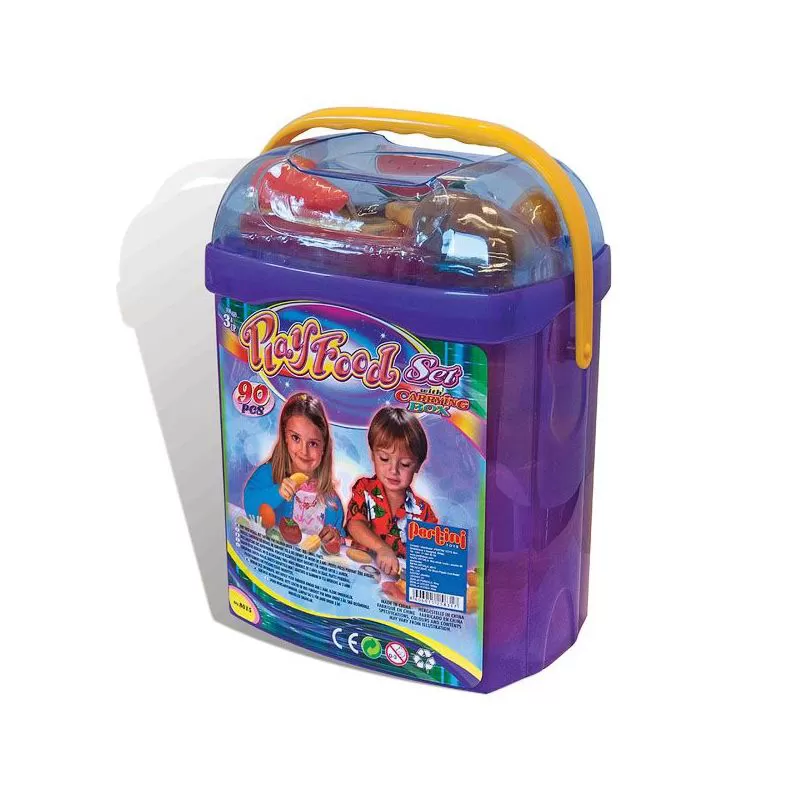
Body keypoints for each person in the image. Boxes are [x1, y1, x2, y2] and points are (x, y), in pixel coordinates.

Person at [346, 407, 437, 576]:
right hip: (360, 574)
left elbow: (430, 557)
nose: (393, 470)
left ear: (417, 466)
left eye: (405, 464)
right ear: (373, 455)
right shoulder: (364, 489)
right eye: (384, 458)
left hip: (399, 584)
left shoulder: (424, 512)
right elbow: (354, 524)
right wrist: (382, 548)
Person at [244, 393, 343, 545]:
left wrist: (336, 537)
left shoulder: (331, 500)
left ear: (324, 447)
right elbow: (249, 505)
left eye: (313, 443)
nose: (304, 451)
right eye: (296, 438)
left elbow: (340, 543)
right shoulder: (269, 474)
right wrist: (278, 492)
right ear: (285, 437)